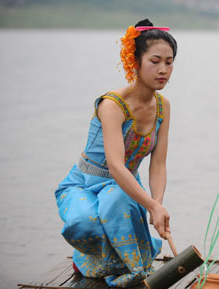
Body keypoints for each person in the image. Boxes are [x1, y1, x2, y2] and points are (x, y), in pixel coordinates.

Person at [54, 18, 177, 287]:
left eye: (169, 62)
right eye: (155, 61)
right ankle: (89, 258)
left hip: (124, 187)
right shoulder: (112, 104)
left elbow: (158, 164)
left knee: (116, 200)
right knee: (82, 221)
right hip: (86, 183)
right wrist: (151, 205)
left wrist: (158, 204)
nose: (163, 69)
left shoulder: (163, 106)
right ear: (135, 61)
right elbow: (115, 165)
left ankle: (127, 264)